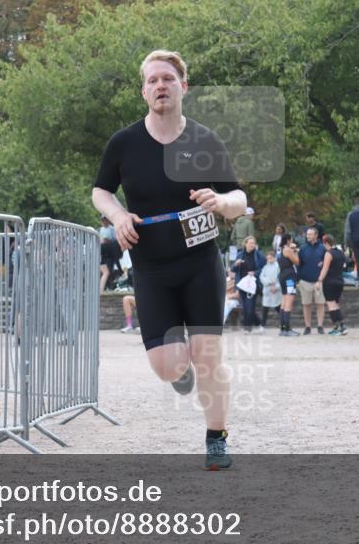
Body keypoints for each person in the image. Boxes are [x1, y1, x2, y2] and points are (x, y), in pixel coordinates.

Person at [92, 49, 247, 469]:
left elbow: (239, 197)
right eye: (152, 80)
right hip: (151, 268)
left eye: (167, 78)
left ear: (183, 87)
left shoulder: (204, 140)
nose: (160, 85)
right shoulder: (123, 143)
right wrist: (118, 215)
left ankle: (217, 439)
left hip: (199, 263)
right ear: (144, 91)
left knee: (208, 353)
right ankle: (181, 373)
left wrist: (220, 200)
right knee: (167, 365)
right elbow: (100, 190)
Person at [296, 227, 327, 334]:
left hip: (319, 281)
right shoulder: (303, 248)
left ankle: (320, 326)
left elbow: (327, 262)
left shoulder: (323, 248)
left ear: (316, 235)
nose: (307, 236)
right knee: (306, 304)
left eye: (310, 234)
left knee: (320, 304)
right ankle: (307, 326)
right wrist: (299, 279)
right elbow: (299, 264)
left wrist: (323, 262)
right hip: (305, 280)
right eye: (307, 234)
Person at [233, 236, 264, 333]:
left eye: (253, 243)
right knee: (246, 307)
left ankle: (247, 328)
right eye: (250, 243)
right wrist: (236, 264)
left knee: (250, 307)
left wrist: (255, 272)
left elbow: (264, 268)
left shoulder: (258, 255)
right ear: (245, 244)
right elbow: (233, 269)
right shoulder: (239, 255)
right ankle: (258, 324)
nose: (252, 245)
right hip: (242, 285)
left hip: (253, 285)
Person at [321, 234, 348, 335]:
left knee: (331, 305)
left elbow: (325, 269)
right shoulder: (340, 253)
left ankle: (340, 326)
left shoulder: (328, 253)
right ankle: (340, 326)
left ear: (326, 243)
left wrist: (319, 280)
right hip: (339, 281)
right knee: (336, 304)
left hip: (330, 281)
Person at [277, 238, 300, 336]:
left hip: (282, 275)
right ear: (288, 240)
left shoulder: (280, 250)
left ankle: (282, 329)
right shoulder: (288, 250)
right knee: (288, 303)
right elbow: (297, 262)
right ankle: (287, 329)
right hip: (289, 277)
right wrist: (296, 252)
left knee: (284, 303)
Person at [258, 251, 282, 330]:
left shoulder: (278, 267)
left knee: (278, 308)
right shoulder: (265, 267)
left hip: (276, 291)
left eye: (270, 258)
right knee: (265, 309)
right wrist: (268, 282)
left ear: (275, 258)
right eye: (267, 258)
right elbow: (261, 277)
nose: (269, 260)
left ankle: (284, 323)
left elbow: (281, 278)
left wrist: (276, 287)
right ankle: (262, 326)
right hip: (267, 290)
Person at [99, 216, 118, 292]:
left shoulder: (112, 229)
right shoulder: (101, 229)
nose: (104, 221)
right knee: (106, 271)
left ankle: (105, 288)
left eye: (105, 220)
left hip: (110, 253)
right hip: (103, 253)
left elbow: (114, 240)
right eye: (103, 220)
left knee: (109, 270)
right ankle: (102, 289)